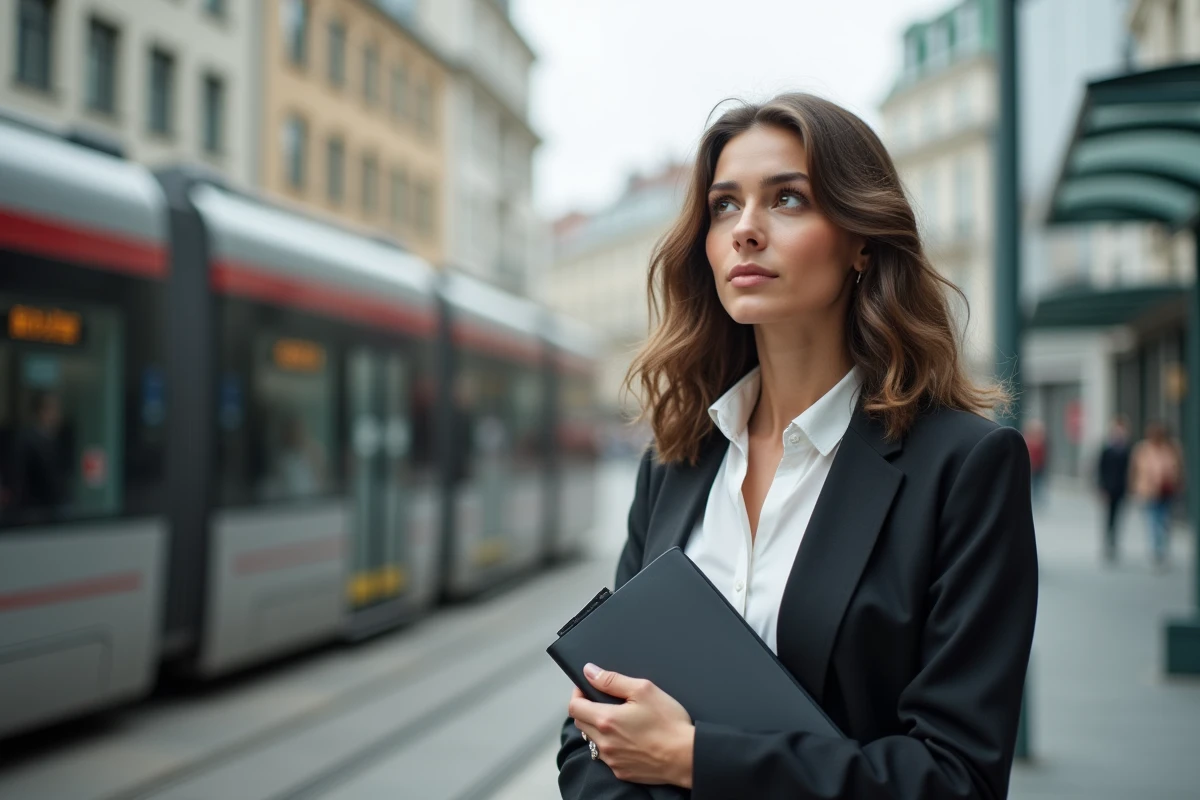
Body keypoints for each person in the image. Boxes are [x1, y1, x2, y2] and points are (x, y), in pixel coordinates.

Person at [556, 93, 1037, 799]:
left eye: (787, 199)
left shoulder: (965, 468)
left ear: (863, 242)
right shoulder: (677, 461)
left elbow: (954, 776)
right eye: (724, 206)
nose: (746, 229)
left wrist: (695, 759)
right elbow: (593, 712)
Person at [1129, 421, 1182, 571]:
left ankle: (1162, 548)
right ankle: (1157, 551)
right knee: (1153, 521)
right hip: (1149, 491)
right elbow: (1135, 469)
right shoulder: (1143, 449)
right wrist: (1134, 487)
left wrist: (1177, 483)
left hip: (1166, 492)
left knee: (1164, 521)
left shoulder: (1171, 448)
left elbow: (1176, 469)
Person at [1096, 415, 1132, 564]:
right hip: (1109, 488)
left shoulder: (1126, 450)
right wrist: (1102, 487)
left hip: (1121, 489)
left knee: (1118, 516)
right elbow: (1101, 469)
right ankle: (1108, 542)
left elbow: (1130, 470)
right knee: (1109, 516)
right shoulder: (1107, 449)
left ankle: (1114, 541)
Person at [1024, 419, 1048, 508]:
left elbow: (1044, 454)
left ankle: (1037, 499)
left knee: (1038, 484)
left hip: (1039, 467)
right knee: (1032, 483)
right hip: (1031, 466)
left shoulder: (1042, 441)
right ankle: (1031, 499)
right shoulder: (1027, 440)